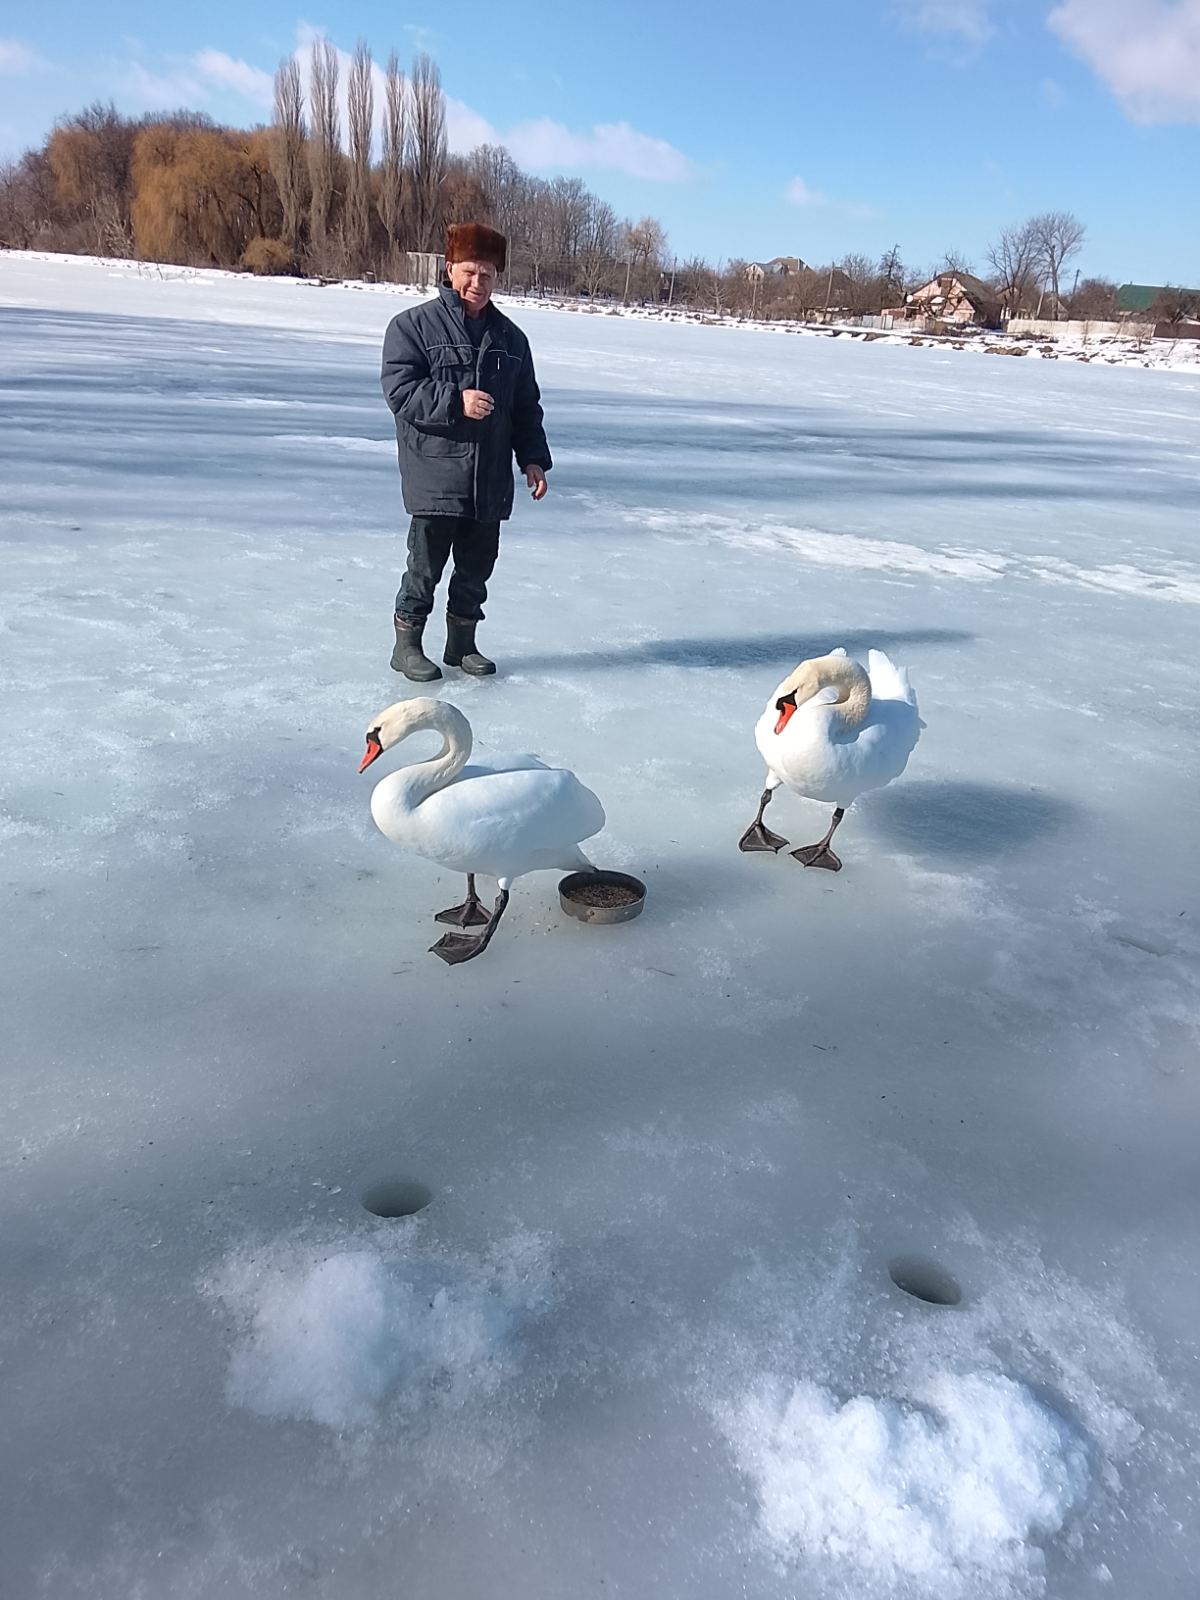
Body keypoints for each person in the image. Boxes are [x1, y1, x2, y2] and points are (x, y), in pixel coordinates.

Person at [380, 222, 552, 680]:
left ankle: (462, 645)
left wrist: (533, 459)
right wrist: (456, 402)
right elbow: (401, 390)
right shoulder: (412, 327)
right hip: (436, 474)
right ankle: (407, 646)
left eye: (489, 274)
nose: (478, 284)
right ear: (450, 268)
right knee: (425, 569)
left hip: (490, 478)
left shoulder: (512, 340)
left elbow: (525, 406)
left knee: (477, 570)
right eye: (470, 272)